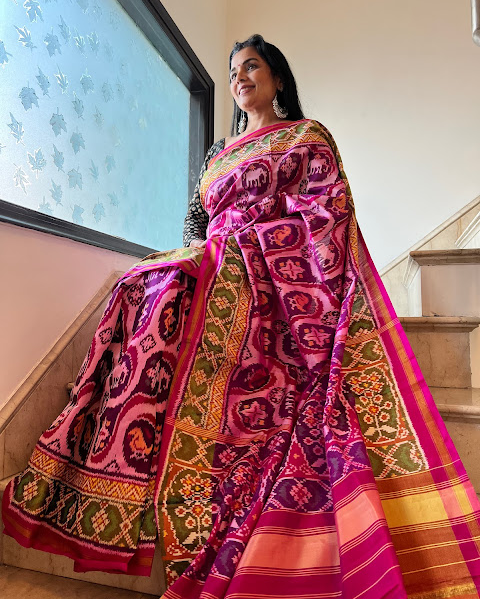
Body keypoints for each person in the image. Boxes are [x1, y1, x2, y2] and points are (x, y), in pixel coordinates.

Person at [3, 35, 480, 599]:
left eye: (251, 66)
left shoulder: (307, 137)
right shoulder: (218, 154)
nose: (240, 77)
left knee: (170, 287)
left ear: (277, 77)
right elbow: (196, 226)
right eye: (232, 71)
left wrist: (243, 249)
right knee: (144, 283)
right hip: (220, 262)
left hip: (271, 274)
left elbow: (326, 217)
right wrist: (192, 255)